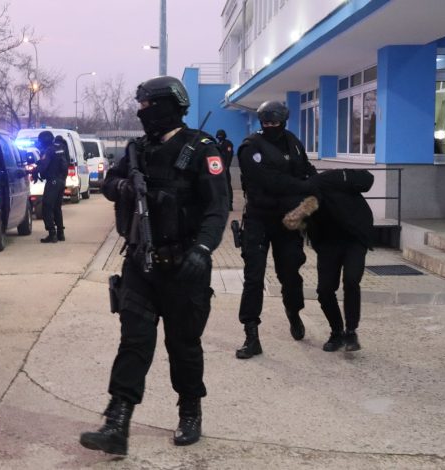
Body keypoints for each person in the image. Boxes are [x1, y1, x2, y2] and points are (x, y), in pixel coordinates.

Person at [80, 76, 228, 456]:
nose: (141, 113)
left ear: (166, 106)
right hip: (140, 265)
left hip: (184, 268)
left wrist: (203, 249)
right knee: (134, 342)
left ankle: (190, 412)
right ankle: (117, 422)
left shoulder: (200, 149)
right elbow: (109, 183)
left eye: (146, 106)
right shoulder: (138, 150)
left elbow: (217, 208)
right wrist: (124, 187)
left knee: (184, 346)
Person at [234, 100, 319, 360]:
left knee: (290, 273)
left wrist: (316, 182)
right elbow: (269, 180)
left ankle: (293, 312)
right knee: (254, 277)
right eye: (266, 122)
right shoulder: (251, 146)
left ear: (283, 121)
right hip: (259, 218)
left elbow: (306, 169)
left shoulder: (293, 142)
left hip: (288, 221)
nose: (270, 126)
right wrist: (302, 186)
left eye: (274, 122)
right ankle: (251, 334)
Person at [301, 168, 374, 352]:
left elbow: (368, 178)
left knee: (351, 280)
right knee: (324, 290)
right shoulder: (304, 200)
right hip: (328, 243)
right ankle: (337, 332)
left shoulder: (331, 180)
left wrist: (346, 176)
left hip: (354, 238)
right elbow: (303, 225)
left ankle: (351, 332)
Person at [34, 131, 69, 243]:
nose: (39, 144)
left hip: (53, 182)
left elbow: (44, 166)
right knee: (57, 207)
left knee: (47, 207)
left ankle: (52, 233)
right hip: (61, 181)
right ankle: (60, 233)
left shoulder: (49, 151)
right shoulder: (59, 149)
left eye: (40, 141)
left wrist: (35, 171)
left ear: (44, 141)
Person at [215, 129, 234, 211]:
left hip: (225, 168)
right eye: (218, 136)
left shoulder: (228, 143)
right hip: (218, 168)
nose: (219, 137)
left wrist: (227, 166)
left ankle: (230, 204)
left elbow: (229, 155)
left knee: (227, 186)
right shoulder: (217, 144)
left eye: (221, 135)